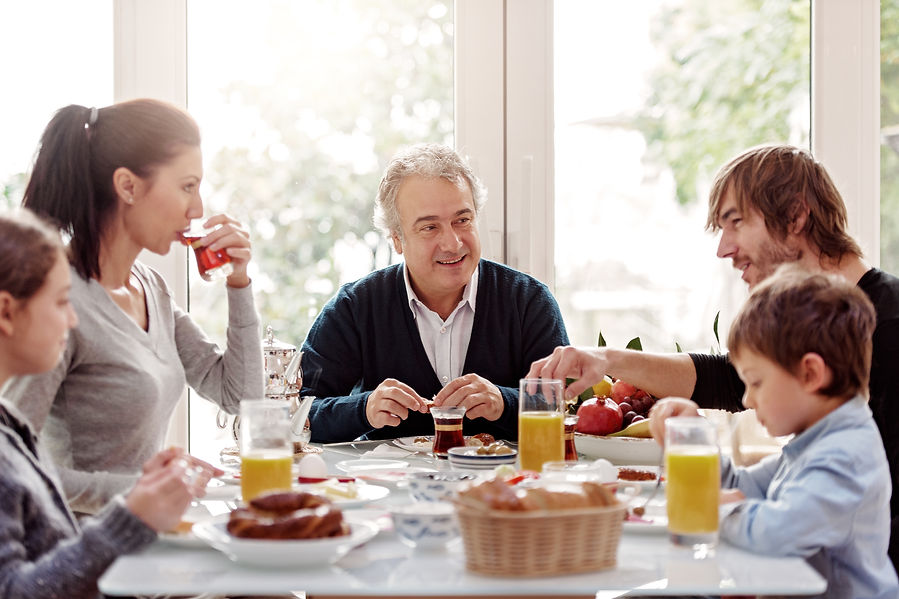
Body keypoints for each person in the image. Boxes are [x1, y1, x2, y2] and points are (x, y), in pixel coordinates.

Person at [527, 144, 899, 571]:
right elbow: (726, 379)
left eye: (735, 223)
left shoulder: (890, 328)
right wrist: (607, 360)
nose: (724, 249)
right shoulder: (810, 343)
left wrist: (728, 509)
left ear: (796, 216)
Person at [2, 100, 264, 514]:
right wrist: (149, 488)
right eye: (186, 186)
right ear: (128, 186)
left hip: (145, 539)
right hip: (82, 552)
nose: (197, 209)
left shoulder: (150, 287)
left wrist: (239, 281)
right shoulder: (62, 303)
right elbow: (16, 464)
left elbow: (241, 396)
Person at [0, 209, 221, 599]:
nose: (73, 320)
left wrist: (144, 490)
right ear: (6, 311)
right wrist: (132, 515)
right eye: (61, 302)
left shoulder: (12, 431)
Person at [650, 266, 897, 599]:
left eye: (756, 382)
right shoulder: (814, 443)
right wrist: (694, 437)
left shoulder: (847, 456)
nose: (747, 399)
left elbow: (779, 532)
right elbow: (742, 487)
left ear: (810, 373)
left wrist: (718, 509)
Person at [302, 143, 569, 442]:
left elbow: (567, 414)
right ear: (397, 240)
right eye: (429, 227)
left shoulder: (529, 302)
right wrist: (363, 409)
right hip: (386, 486)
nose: (453, 243)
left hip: (505, 485)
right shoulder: (355, 307)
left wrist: (503, 403)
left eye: (462, 220)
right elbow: (298, 413)